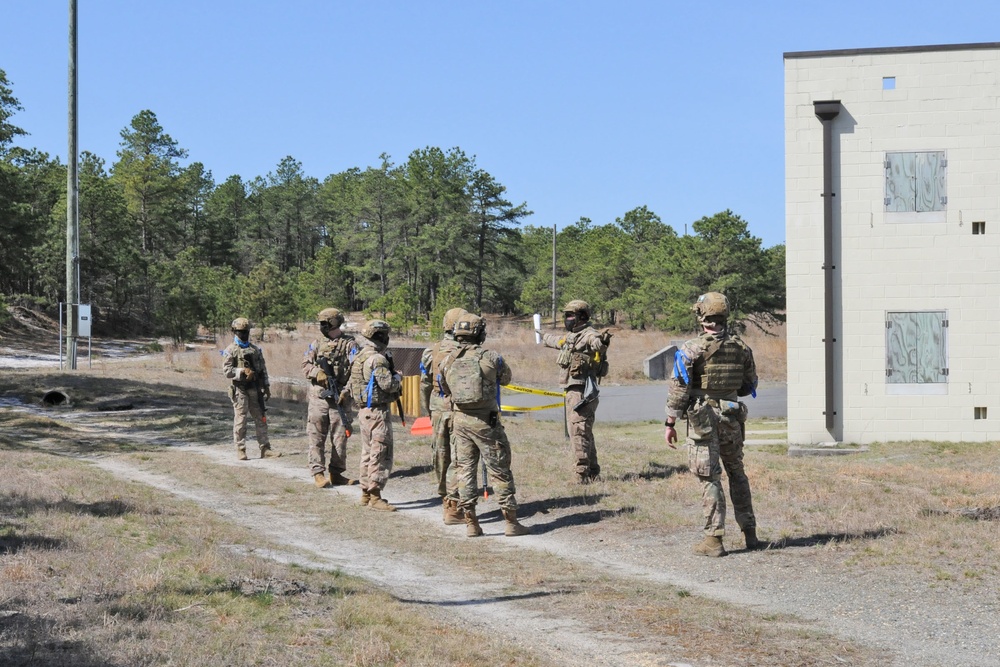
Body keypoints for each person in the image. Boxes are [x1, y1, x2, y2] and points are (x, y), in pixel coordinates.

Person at [665, 292, 760, 557]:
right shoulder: (741, 347)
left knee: (710, 478)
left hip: (703, 420)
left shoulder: (690, 349)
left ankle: (714, 540)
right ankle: (750, 533)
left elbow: (679, 390)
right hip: (731, 417)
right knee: (737, 473)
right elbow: (749, 386)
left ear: (701, 315)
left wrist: (670, 421)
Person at [441, 313, 529, 537]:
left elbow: (444, 388)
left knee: (464, 472)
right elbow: (506, 377)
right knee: (499, 471)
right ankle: (510, 522)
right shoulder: (490, 357)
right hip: (486, 423)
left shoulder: (448, 360)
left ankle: (471, 523)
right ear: (479, 334)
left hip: (460, 422)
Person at [539, 299, 611, 484]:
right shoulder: (572, 336)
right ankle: (593, 472)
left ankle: (581, 475)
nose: (567, 319)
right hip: (573, 390)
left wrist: (602, 342)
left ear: (582, 317)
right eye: (566, 316)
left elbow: (597, 344)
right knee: (584, 431)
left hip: (582, 391)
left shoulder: (589, 334)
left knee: (578, 432)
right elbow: (557, 341)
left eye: (571, 316)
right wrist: (542, 335)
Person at [420, 307, 468, 525]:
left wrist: (428, 411)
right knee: (459, 457)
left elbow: (425, 384)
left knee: (441, 455)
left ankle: (445, 499)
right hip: (460, 408)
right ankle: (454, 504)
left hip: (438, 407)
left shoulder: (432, 351)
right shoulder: (468, 351)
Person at [349, 319, 402, 511]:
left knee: (367, 453)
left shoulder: (360, 356)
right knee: (380, 453)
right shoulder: (377, 359)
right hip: (377, 411)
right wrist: (397, 377)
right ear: (380, 336)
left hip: (364, 411)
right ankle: (375, 495)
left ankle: (365, 492)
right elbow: (388, 385)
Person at [303, 307, 359, 488]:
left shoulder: (350, 344)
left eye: (324, 323)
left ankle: (336, 473)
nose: (321, 326)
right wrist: (316, 372)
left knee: (340, 438)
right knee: (316, 436)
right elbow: (305, 364)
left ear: (334, 323)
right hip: (319, 399)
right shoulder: (316, 343)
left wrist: (347, 391)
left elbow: (356, 371)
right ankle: (318, 473)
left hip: (340, 399)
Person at [222, 317, 277, 461]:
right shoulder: (230, 350)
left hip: (255, 389)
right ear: (234, 331)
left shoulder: (255, 350)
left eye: (245, 331)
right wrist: (241, 371)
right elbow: (227, 371)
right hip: (240, 389)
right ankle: (241, 449)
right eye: (240, 332)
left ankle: (265, 448)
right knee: (240, 420)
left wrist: (266, 386)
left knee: (261, 418)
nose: (243, 334)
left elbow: (262, 369)